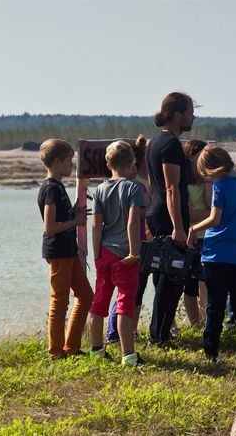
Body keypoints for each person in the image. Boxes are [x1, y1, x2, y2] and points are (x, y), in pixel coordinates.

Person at [188, 146, 236, 363]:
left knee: (215, 305)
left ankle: (211, 351)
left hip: (215, 254)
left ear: (213, 168)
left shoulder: (220, 186)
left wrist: (193, 229)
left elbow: (215, 219)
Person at [88, 141, 145, 366]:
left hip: (104, 252)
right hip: (125, 255)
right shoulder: (133, 188)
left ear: (107, 163)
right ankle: (128, 355)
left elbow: (95, 226)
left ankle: (96, 350)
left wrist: (97, 255)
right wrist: (134, 252)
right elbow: (133, 222)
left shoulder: (100, 189)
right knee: (124, 304)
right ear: (132, 163)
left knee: (99, 302)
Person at [37, 139, 93, 359]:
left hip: (68, 250)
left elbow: (61, 218)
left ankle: (71, 346)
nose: (72, 165)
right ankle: (55, 352)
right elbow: (50, 226)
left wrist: (74, 214)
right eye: (69, 161)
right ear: (58, 161)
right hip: (58, 251)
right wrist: (76, 221)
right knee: (60, 301)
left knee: (86, 296)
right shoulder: (50, 188)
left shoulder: (59, 186)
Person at [145, 92, 195, 346]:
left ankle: (159, 331)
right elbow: (171, 188)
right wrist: (178, 228)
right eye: (189, 112)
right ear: (177, 115)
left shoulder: (155, 141)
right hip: (167, 217)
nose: (192, 117)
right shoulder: (171, 145)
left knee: (163, 275)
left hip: (156, 213)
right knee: (172, 277)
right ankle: (160, 335)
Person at [106, 135, 150, 344]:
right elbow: (139, 215)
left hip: (110, 247)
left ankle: (113, 335)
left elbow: (99, 223)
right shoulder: (135, 188)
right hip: (132, 246)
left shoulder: (106, 188)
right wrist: (135, 251)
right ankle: (122, 337)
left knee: (119, 293)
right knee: (128, 293)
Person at [182, 139, 210, 327]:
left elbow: (213, 208)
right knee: (189, 286)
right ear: (192, 156)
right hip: (190, 238)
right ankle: (194, 325)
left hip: (209, 237)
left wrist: (210, 213)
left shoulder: (209, 180)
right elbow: (188, 214)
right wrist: (210, 214)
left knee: (207, 283)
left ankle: (207, 322)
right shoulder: (183, 181)